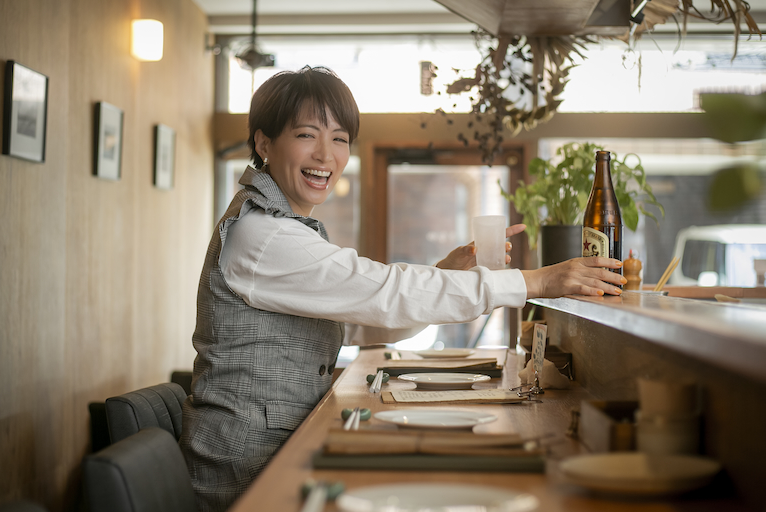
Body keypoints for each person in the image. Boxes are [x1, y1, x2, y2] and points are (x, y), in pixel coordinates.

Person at [179, 66, 624, 511]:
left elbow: (360, 321)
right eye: (306, 135)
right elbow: (386, 292)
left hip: (276, 446)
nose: (326, 154)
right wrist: (537, 281)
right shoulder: (263, 235)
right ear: (263, 143)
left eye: (339, 138)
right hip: (243, 475)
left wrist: (445, 273)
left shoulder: (282, 228)